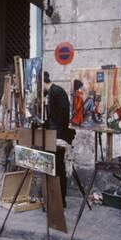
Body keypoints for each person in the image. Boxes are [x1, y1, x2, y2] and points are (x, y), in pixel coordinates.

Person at [43, 72, 75, 208]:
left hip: (59, 137)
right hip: (53, 135)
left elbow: (63, 116)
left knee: (59, 168)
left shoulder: (57, 91)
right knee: (53, 168)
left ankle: (61, 200)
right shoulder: (50, 93)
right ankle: (55, 198)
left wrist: (56, 134)